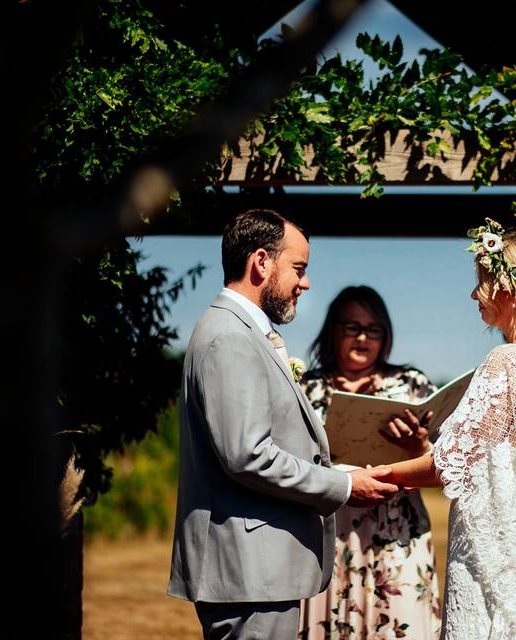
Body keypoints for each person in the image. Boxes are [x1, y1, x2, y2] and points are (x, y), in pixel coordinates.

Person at [167, 209, 401, 640]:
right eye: (299, 268)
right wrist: (344, 488)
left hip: (257, 568)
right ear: (261, 263)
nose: (305, 283)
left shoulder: (242, 332)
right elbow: (247, 455)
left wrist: (338, 471)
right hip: (249, 571)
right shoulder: (230, 338)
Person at [386, 219, 516, 639]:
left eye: (483, 282)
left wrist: (377, 476)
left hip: (502, 558)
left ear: (514, 288)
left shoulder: (510, 361)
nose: (474, 294)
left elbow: (452, 465)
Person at [297, 286, 442, 639]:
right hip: (329, 538)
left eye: (373, 329)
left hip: (397, 537)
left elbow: (445, 470)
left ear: (386, 334)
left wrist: (420, 444)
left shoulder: (411, 385)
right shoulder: (305, 387)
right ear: (334, 330)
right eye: (352, 327)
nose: (362, 338)